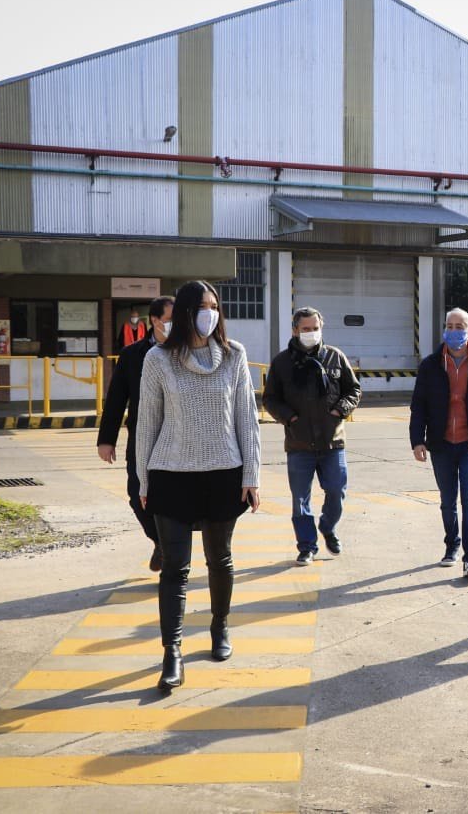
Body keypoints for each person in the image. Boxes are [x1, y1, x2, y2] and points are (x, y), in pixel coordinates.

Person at [135, 280, 261, 691]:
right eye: (202, 306)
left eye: (215, 306)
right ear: (186, 312)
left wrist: (251, 476)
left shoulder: (234, 356)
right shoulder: (158, 359)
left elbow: (247, 418)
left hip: (223, 472)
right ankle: (172, 652)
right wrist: (142, 478)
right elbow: (146, 423)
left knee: (219, 559)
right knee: (175, 568)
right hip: (171, 474)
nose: (210, 313)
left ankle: (219, 626)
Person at [409, 307, 468, 577]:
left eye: (459, 326)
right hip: (441, 444)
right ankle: (452, 546)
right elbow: (419, 406)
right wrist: (418, 440)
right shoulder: (431, 364)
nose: (453, 331)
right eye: (449, 325)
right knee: (447, 500)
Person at [263, 307, 361, 567]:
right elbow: (270, 398)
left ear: (321, 327)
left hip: (332, 441)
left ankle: (327, 527)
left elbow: (354, 390)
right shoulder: (282, 362)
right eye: (305, 329)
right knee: (300, 499)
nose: (310, 333)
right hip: (299, 443)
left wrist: (341, 409)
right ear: (295, 330)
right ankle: (307, 546)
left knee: (337, 491)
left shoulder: (335, 357)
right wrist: (290, 418)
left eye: (314, 328)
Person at [97, 295, 174, 572]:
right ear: (154, 321)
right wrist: (106, 440)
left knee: (172, 498)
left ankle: (172, 549)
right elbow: (117, 398)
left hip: (178, 439)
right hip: (142, 437)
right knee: (136, 494)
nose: (175, 325)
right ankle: (160, 542)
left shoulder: (186, 351)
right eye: (169, 320)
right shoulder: (132, 355)